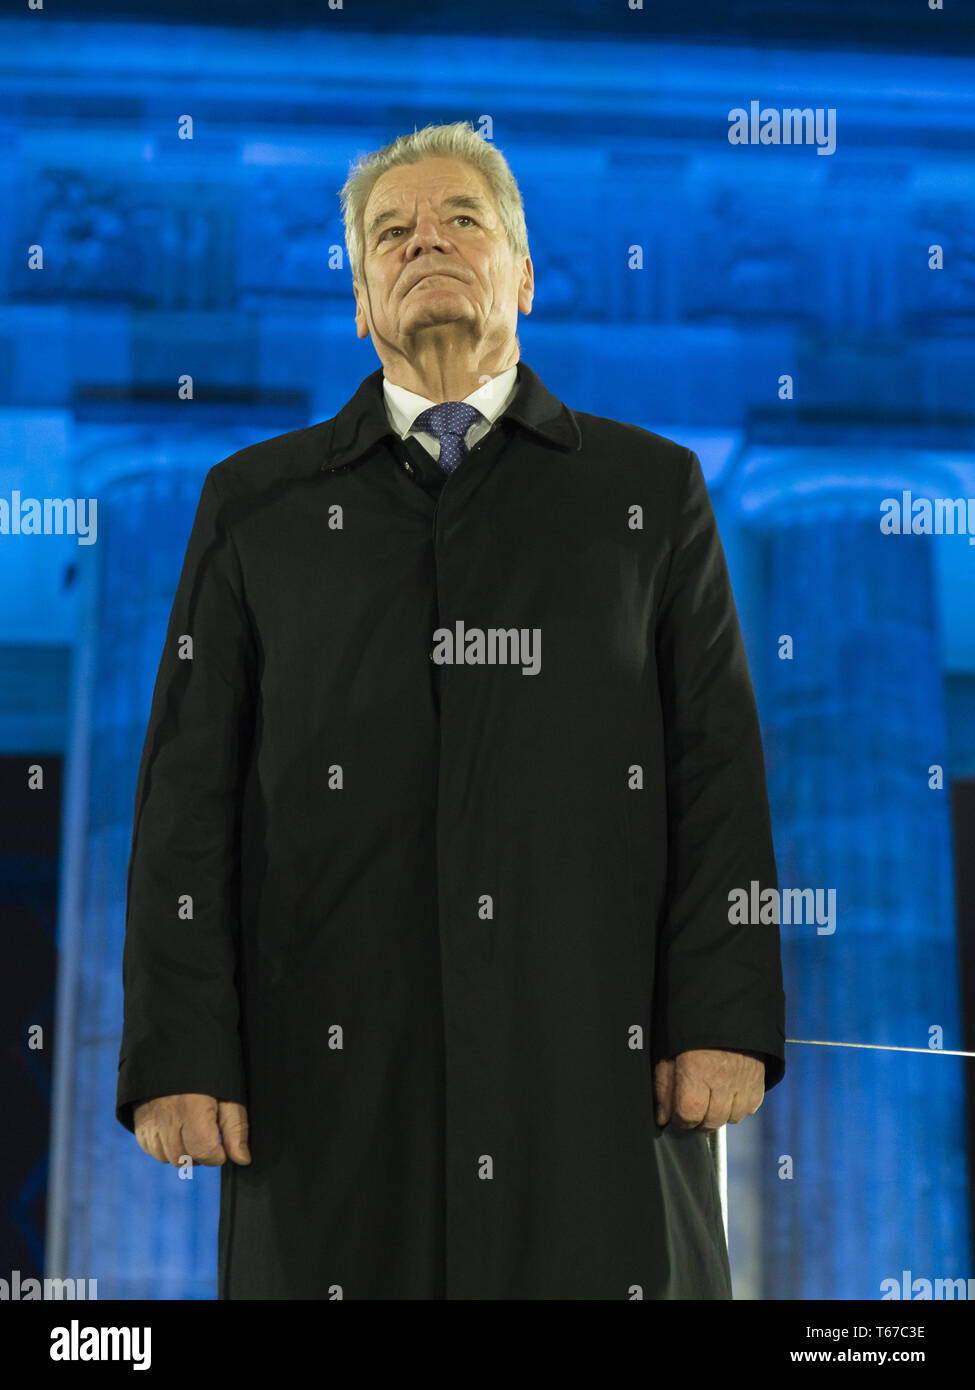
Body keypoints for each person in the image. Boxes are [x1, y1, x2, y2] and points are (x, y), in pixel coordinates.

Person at [116, 119, 786, 1300]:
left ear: (524, 274)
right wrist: (180, 1048)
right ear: (362, 302)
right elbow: (188, 793)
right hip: (327, 1060)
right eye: (391, 235)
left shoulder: (649, 490)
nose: (426, 242)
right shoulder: (255, 504)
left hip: (590, 1050)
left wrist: (725, 1015)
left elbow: (715, 767)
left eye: (461, 220)